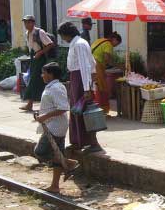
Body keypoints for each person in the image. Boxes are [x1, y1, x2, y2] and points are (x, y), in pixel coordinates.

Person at [34, 62, 79, 194]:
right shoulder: (52, 87)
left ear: (50, 74)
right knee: (56, 152)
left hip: (56, 126)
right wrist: (42, 114)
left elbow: (63, 107)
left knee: (40, 151)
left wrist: (44, 117)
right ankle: (55, 185)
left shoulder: (56, 88)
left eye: (44, 73)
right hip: (53, 124)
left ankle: (67, 162)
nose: (42, 75)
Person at [58, 22, 101, 154]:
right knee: (76, 111)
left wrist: (87, 88)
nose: (62, 39)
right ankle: (78, 141)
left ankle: (93, 143)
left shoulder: (79, 44)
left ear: (66, 34)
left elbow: (85, 66)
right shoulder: (76, 43)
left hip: (81, 80)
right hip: (76, 78)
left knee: (85, 111)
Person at [20, 15, 54, 112]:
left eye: (28, 22)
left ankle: (30, 104)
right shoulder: (27, 33)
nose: (26, 24)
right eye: (25, 22)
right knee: (35, 79)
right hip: (33, 57)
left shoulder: (40, 32)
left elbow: (50, 44)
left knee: (35, 79)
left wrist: (40, 52)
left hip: (41, 58)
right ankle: (33, 104)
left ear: (33, 23)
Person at [91, 32, 122, 114]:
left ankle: (96, 107)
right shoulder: (108, 44)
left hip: (90, 65)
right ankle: (102, 109)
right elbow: (107, 58)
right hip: (97, 65)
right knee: (102, 88)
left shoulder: (100, 40)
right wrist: (116, 65)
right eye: (117, 43)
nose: (116, 46)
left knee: (95, 86)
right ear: (114, 39)